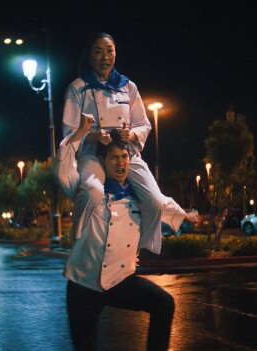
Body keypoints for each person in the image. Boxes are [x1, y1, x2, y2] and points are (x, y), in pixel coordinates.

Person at [56, 114, 187, 351]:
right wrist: (79, 134)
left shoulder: (139, 198)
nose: (120, 163)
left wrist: (188, 216)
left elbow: (165, 205)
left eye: (124, 157)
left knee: (164, 304)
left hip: (119, 281)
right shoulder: (87, 193)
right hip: (83, 284)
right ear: (102, 161)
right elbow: (63, 167)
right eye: (114, 157)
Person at [62, 32, 196, 254]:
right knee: (92, 193)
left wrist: (131, 135)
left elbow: (144, 124)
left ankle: (140, 250)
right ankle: (82, 245)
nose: (105, 57)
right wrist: (95, 135)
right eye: (98, 52)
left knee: (154, 201)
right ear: (89, 56)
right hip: (94, 155)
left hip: (126, 154)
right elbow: (69, 132)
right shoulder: (77, 88)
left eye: (109, 51)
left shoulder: (129, 87)